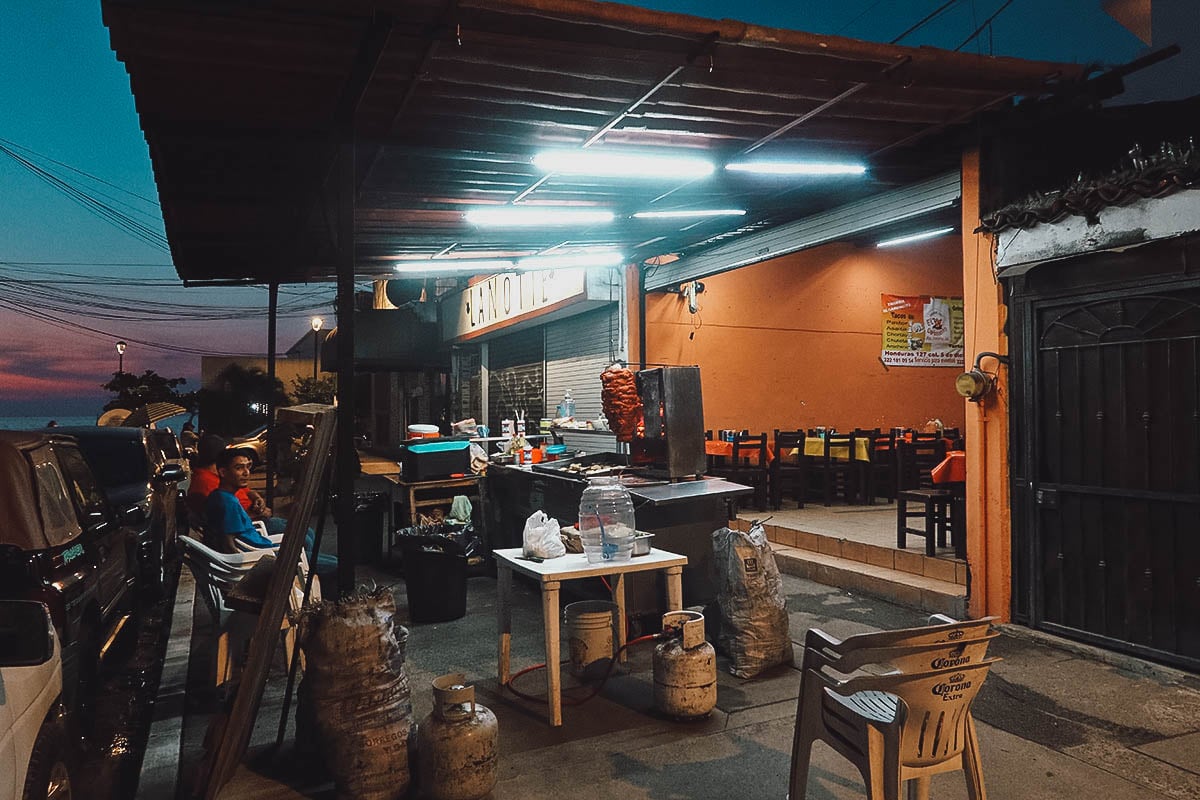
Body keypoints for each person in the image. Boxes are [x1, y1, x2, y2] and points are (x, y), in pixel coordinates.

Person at [205, 448, 336, 578]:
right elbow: (228, 545)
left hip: (267, 550)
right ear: (223, 472)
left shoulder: (220, 496)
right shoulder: (228, 503)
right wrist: (247, 574)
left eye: (248, 467)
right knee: (336, 565)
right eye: (239, 468)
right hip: (269, 558)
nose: (246, 473)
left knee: (322, 555)